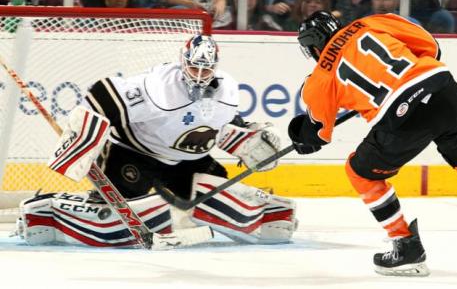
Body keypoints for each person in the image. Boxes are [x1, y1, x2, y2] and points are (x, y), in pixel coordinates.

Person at [288, 10, 457, 276]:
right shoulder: (372, 23)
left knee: (359, 171)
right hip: (443, 87)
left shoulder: (321, 76)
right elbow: (431, 46)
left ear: (313, 46)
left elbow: (318, 133)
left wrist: (301, 135)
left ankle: (406, 246)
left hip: (403, 116)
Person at [17, 34, 297, 247]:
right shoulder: (159, 87)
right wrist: (86, 136)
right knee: (117, 220)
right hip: (133, 154)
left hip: (184, 162)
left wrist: (248, 141)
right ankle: (48, 212)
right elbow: (105, 93)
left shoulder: (227, 90)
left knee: (213, 197)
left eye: (206, 70)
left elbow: (217, 127)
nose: (199, 76)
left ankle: (263, 216)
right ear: (183, 61)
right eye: (194, 68)